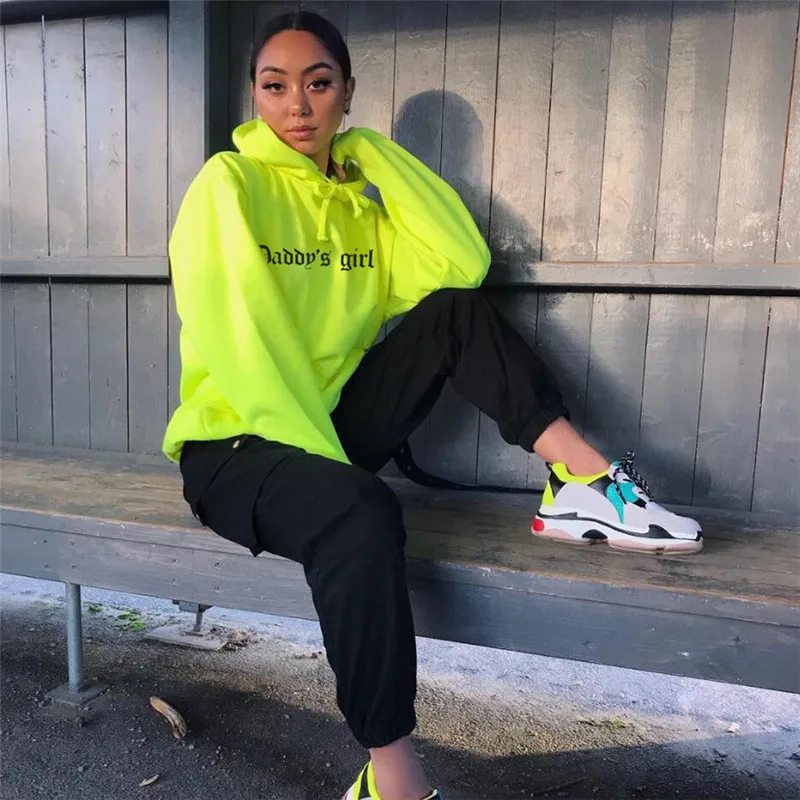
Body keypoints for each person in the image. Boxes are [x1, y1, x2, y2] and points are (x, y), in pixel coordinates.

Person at [163, 11, 703, 800]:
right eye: (275, 87)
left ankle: (582, 480)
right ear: (255, 96)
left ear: (347, 93)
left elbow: (461, 264)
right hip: (238, 447)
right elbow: (238, 339)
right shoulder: (228, 185)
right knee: (360, 510)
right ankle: (393, 780)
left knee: (453, 312)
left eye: (319, 84)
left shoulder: (359, 204)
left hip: (324, 433)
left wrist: (370, 155)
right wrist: (325, 463)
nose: (298, 106)